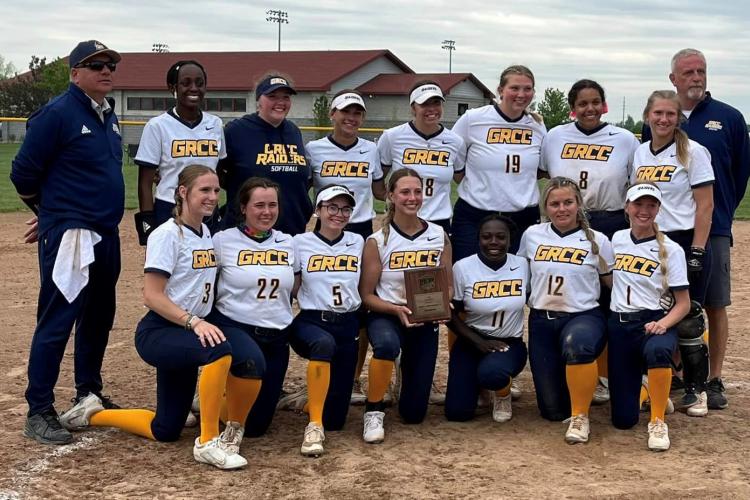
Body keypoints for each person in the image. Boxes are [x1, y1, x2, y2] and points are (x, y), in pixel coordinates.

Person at [59, 166, 254, 470]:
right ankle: (208, 442)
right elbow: (152, 295)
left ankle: (91, 412)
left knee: (166, 429)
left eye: (216, 190)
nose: (213, 197)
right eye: (204, 190)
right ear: (183, 192)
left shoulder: (204, 232)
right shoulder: (167, 234)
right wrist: (194, 321)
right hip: (161, 332)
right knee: (219, 351)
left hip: (186, 333)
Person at [10, 40, 125, 445]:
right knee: (58, 319)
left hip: (106, 232)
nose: (106, 70)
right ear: (75, 73)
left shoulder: (108, 114)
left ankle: (87, 392)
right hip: (73, 233)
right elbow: (23, 174)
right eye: (95, 65)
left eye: (110, 64)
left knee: (98, 317)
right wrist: (51, 214)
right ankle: (39, 408)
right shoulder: (58, 113)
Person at [643, 49, 750, 410]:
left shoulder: (729, 117)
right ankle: (673, 372)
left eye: (701, 71)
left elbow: (739, 173)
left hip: (709, 227)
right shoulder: (660, 122)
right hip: (662, 233)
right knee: (666, 302)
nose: (696, 77)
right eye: (688, 72)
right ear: (673, 78)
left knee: (712, 305)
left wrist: (720, 216)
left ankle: (713, 378)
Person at [541, 79, 640, 405]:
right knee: (574, 295)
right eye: (582, 103)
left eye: (595, 102)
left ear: (604, 104)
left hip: (608, 220)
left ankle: (610, 372)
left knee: (611, 299)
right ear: (572, 107)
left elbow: (636, 184)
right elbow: (543, 176)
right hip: (566, 220)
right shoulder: (555, 136)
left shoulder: (624, 139)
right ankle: (580, 363)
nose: (590, 108)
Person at [634, 90, 714, 416]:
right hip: (650, 239)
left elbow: (705, 205)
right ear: (647, 116)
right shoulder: (640, 153)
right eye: (658, 113)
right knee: (653, 312)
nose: (664, 119)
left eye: (671, 113)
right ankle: (663, 382)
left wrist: (696, 249)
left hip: (681, 239)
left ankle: (698, 389)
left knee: (688, 317)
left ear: (679, 117)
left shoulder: (693, 152)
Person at [359, 169, 453, 443]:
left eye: (417, 191)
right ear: (390, 196)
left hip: (424, 317)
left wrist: (440, 306)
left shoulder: (438, 235)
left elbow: (447, 284)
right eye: (405, 192)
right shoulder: (378, 241)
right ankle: (373, 409)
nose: (412, 198)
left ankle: (403, 376)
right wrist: (396, 310)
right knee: (387, 346)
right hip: (388, 314)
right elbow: (366, 295)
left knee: (413, 415)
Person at [518, 177, 614, 443]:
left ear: (579, 204)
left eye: (568, 202)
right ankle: (577, 388)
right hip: (542, 320)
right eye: (555, 204)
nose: (562, 209)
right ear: (545, 207)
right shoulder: (532, 235)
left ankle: (581, 416)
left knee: (578, 345)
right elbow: (518, 277)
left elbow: (613, 285)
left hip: (583, 317)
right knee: (551, 410)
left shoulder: (598, 240)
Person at [208, 177, 296, 438]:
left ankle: (217, 398)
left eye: (272, 205)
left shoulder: (289, 242)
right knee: (249, 366)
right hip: (237, 327)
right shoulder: (223, 241)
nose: (267, 212)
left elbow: (298, 285)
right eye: (259, 205)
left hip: (277, 334)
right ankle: (214, 396)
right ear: (243, 208)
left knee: (257, 427)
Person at [608, 183, 690, 451]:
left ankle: (657, 420)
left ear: (658, 209)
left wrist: (663, 323)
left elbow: (683, 304)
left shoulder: (671, 249)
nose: (644, 211)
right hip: (620, 324)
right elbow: (609, 279)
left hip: (653, 323)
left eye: (651, 205)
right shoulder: (616, 239)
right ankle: (652, 390)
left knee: (657, 352)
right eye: (638, 204)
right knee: (623, 420)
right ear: (627, 207)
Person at [290, 185, 364, 456]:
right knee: (322, 344)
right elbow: (293, 285)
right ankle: (314, 424)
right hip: (313, 321)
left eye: (345, 208)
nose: (338, 214)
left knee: (337, 421)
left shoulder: (358, 242)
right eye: (331, 207)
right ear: (318, 210)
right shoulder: (299, 242)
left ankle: (311, 400)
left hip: (346, 324)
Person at [451, 65, 547, 262]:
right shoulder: (473, 119)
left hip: (522, 216)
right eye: (514, 88)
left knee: (518, 281)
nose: (521, 94)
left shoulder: (537, 125)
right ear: (500, 90)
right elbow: (455, 164)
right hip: (476, 213)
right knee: (467, 274)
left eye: (527, 89)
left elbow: (539, 171)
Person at [445, 215, 528, 423]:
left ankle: (502, 394)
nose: (493, 242)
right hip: (471, 341)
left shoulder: (523, 265)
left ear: (510, 240)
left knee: (492, 373)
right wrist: (479, 342)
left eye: (501, 237)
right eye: (486, 237)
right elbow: (449, 313)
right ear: (478, 239)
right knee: (458, 413)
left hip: (507, 343)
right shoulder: (463, 267)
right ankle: (478, 386)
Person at [134, 60, 225, 242]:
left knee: (205, 264)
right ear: (172, 87)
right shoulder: (157, 126)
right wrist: (148, 223)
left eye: (199, 83)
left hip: (207, 208)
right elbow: (145, 183)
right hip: (169, 207)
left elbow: (220, 171)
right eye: (186, 83)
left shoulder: (215, 124)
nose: (194, 88)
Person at [219, 74, 311, 235]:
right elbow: (217, 172)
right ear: (258, 101)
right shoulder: (237, 130)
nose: (280, 102)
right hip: (245, 234)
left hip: (291, 231)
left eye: (286, 97)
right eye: (272, 96)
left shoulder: (293, 131)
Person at [377, 81, 466, 234]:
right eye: (425, 104)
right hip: (402, 220)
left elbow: (462, 179)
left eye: (436, 103)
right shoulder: (392, 137)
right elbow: (377, 179)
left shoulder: (455, 141)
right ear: (413, 108)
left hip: (439, 221)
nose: (432, 109)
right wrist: (394, 201)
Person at [307, 89, 385, 239]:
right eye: (345, 111)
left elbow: (379, 191)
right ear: (332, 114)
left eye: (357, 113)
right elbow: (302, 191)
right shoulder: (313, 149)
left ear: (363, 118)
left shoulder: (371, 149)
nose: (351, 117)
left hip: (361, 227)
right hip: (326, 227)